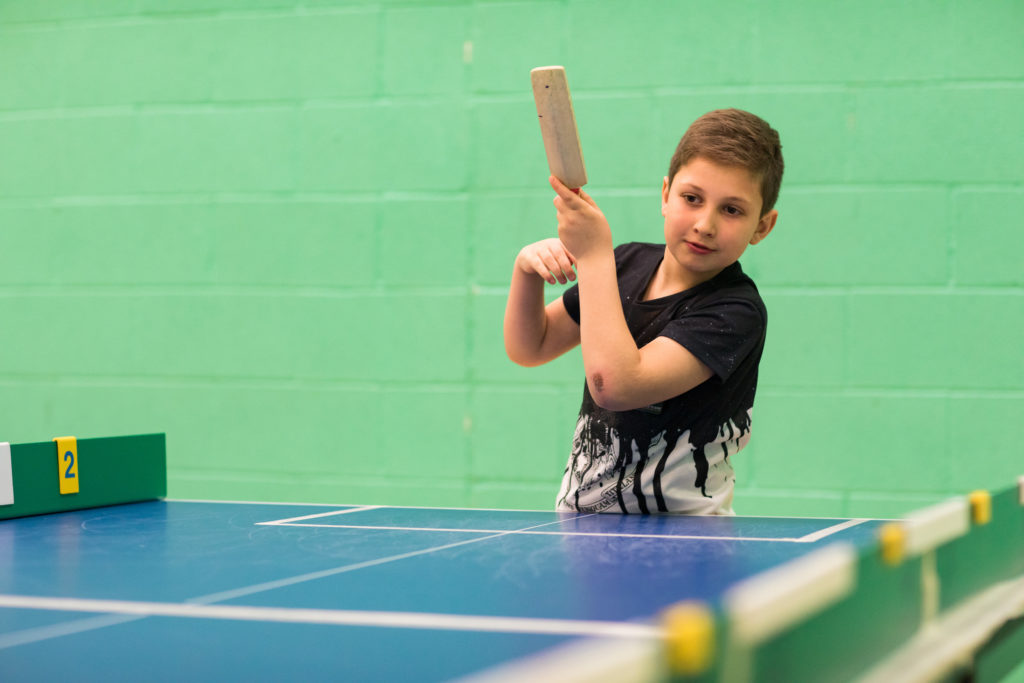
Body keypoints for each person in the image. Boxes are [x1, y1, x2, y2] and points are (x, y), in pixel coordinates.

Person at [503, 108, 783, 515]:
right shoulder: (625, 265)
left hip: (687, 537)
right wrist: (526, 270)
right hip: (582, 524)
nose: (705, 224)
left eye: (732, 210)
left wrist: (594, 255)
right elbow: (531, 347)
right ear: (665, 195)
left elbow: (616, 387)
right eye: (692, 198)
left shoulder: (735, 311)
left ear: (762, 226)